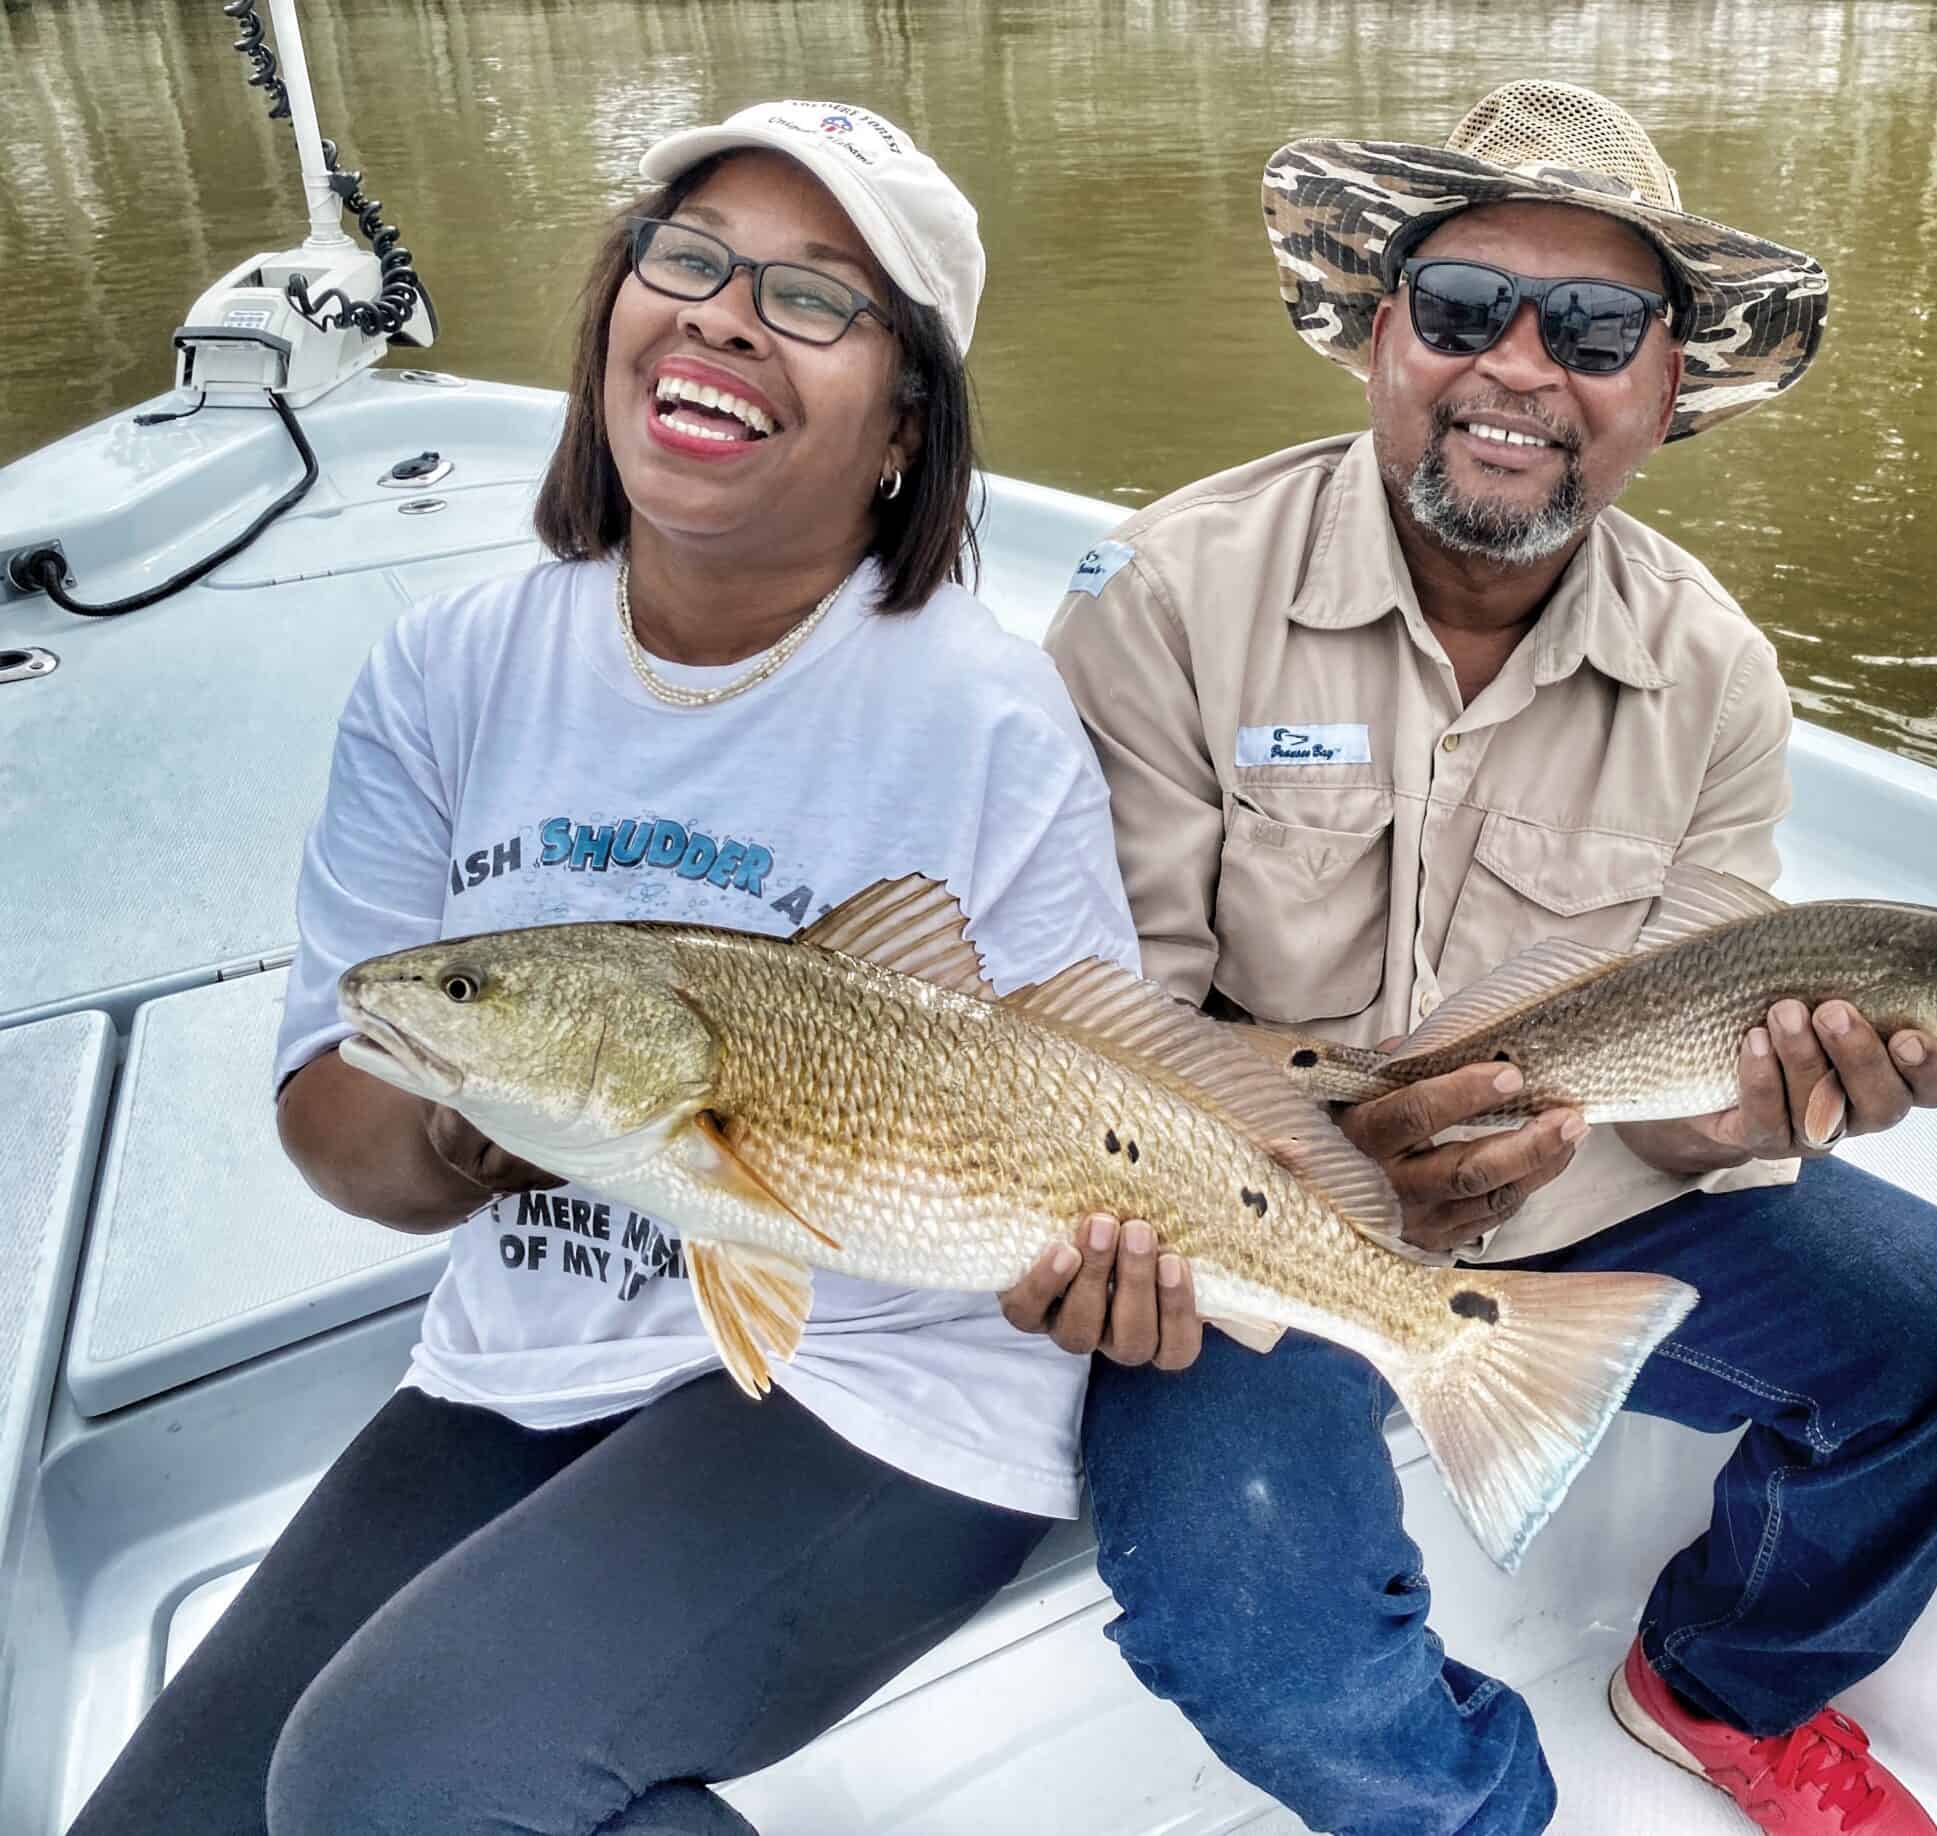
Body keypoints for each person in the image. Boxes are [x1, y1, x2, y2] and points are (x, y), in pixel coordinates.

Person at [69, 101, 1137, 1836]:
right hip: (524, 1355)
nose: (719, 313)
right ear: (618, 304)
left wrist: (1113, 1262)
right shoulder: (449, 672)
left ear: (903, 419)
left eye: (811, 298)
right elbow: (337, 1119)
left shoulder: (983, 715)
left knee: (387, 1780)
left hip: (879, 1376)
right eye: (691, 259)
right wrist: (471, 1133)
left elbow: (1078, 1103)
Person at [1008, 82, 1937, 1836]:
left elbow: (1697, 1091)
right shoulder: (1166, 594)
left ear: (1664, 389)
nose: (1520, 370)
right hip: (1241, 1206)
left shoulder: (1718, 676)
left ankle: (1718, 1682)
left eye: (1598, 326)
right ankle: (1478, 1808)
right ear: (1379, 336)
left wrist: (1761, 1114)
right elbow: (1108, 1032)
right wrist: (1333, 1169)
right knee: (1253, 1623)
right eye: (1465, 307)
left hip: (1594, 1191)